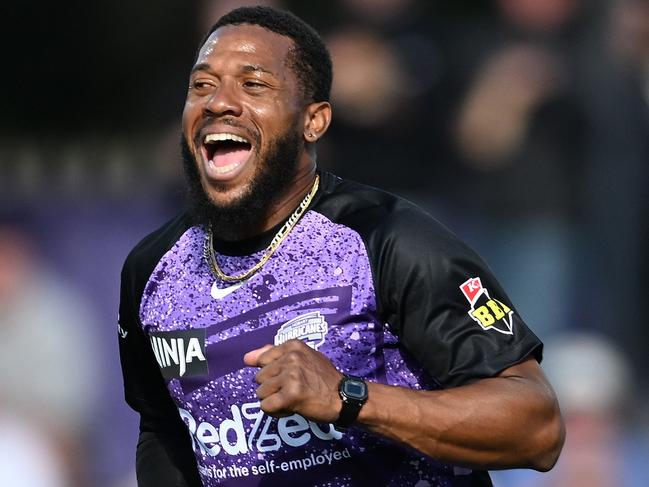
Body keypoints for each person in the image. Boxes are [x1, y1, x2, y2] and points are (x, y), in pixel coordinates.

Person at [118, 6, 564, 486]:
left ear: (314, 121)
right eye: (201, 86)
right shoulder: (153, 272)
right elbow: (163, 431)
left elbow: (536, 426)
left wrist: (349, 397)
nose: (219, 102)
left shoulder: (388, 240)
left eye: (253, 85)